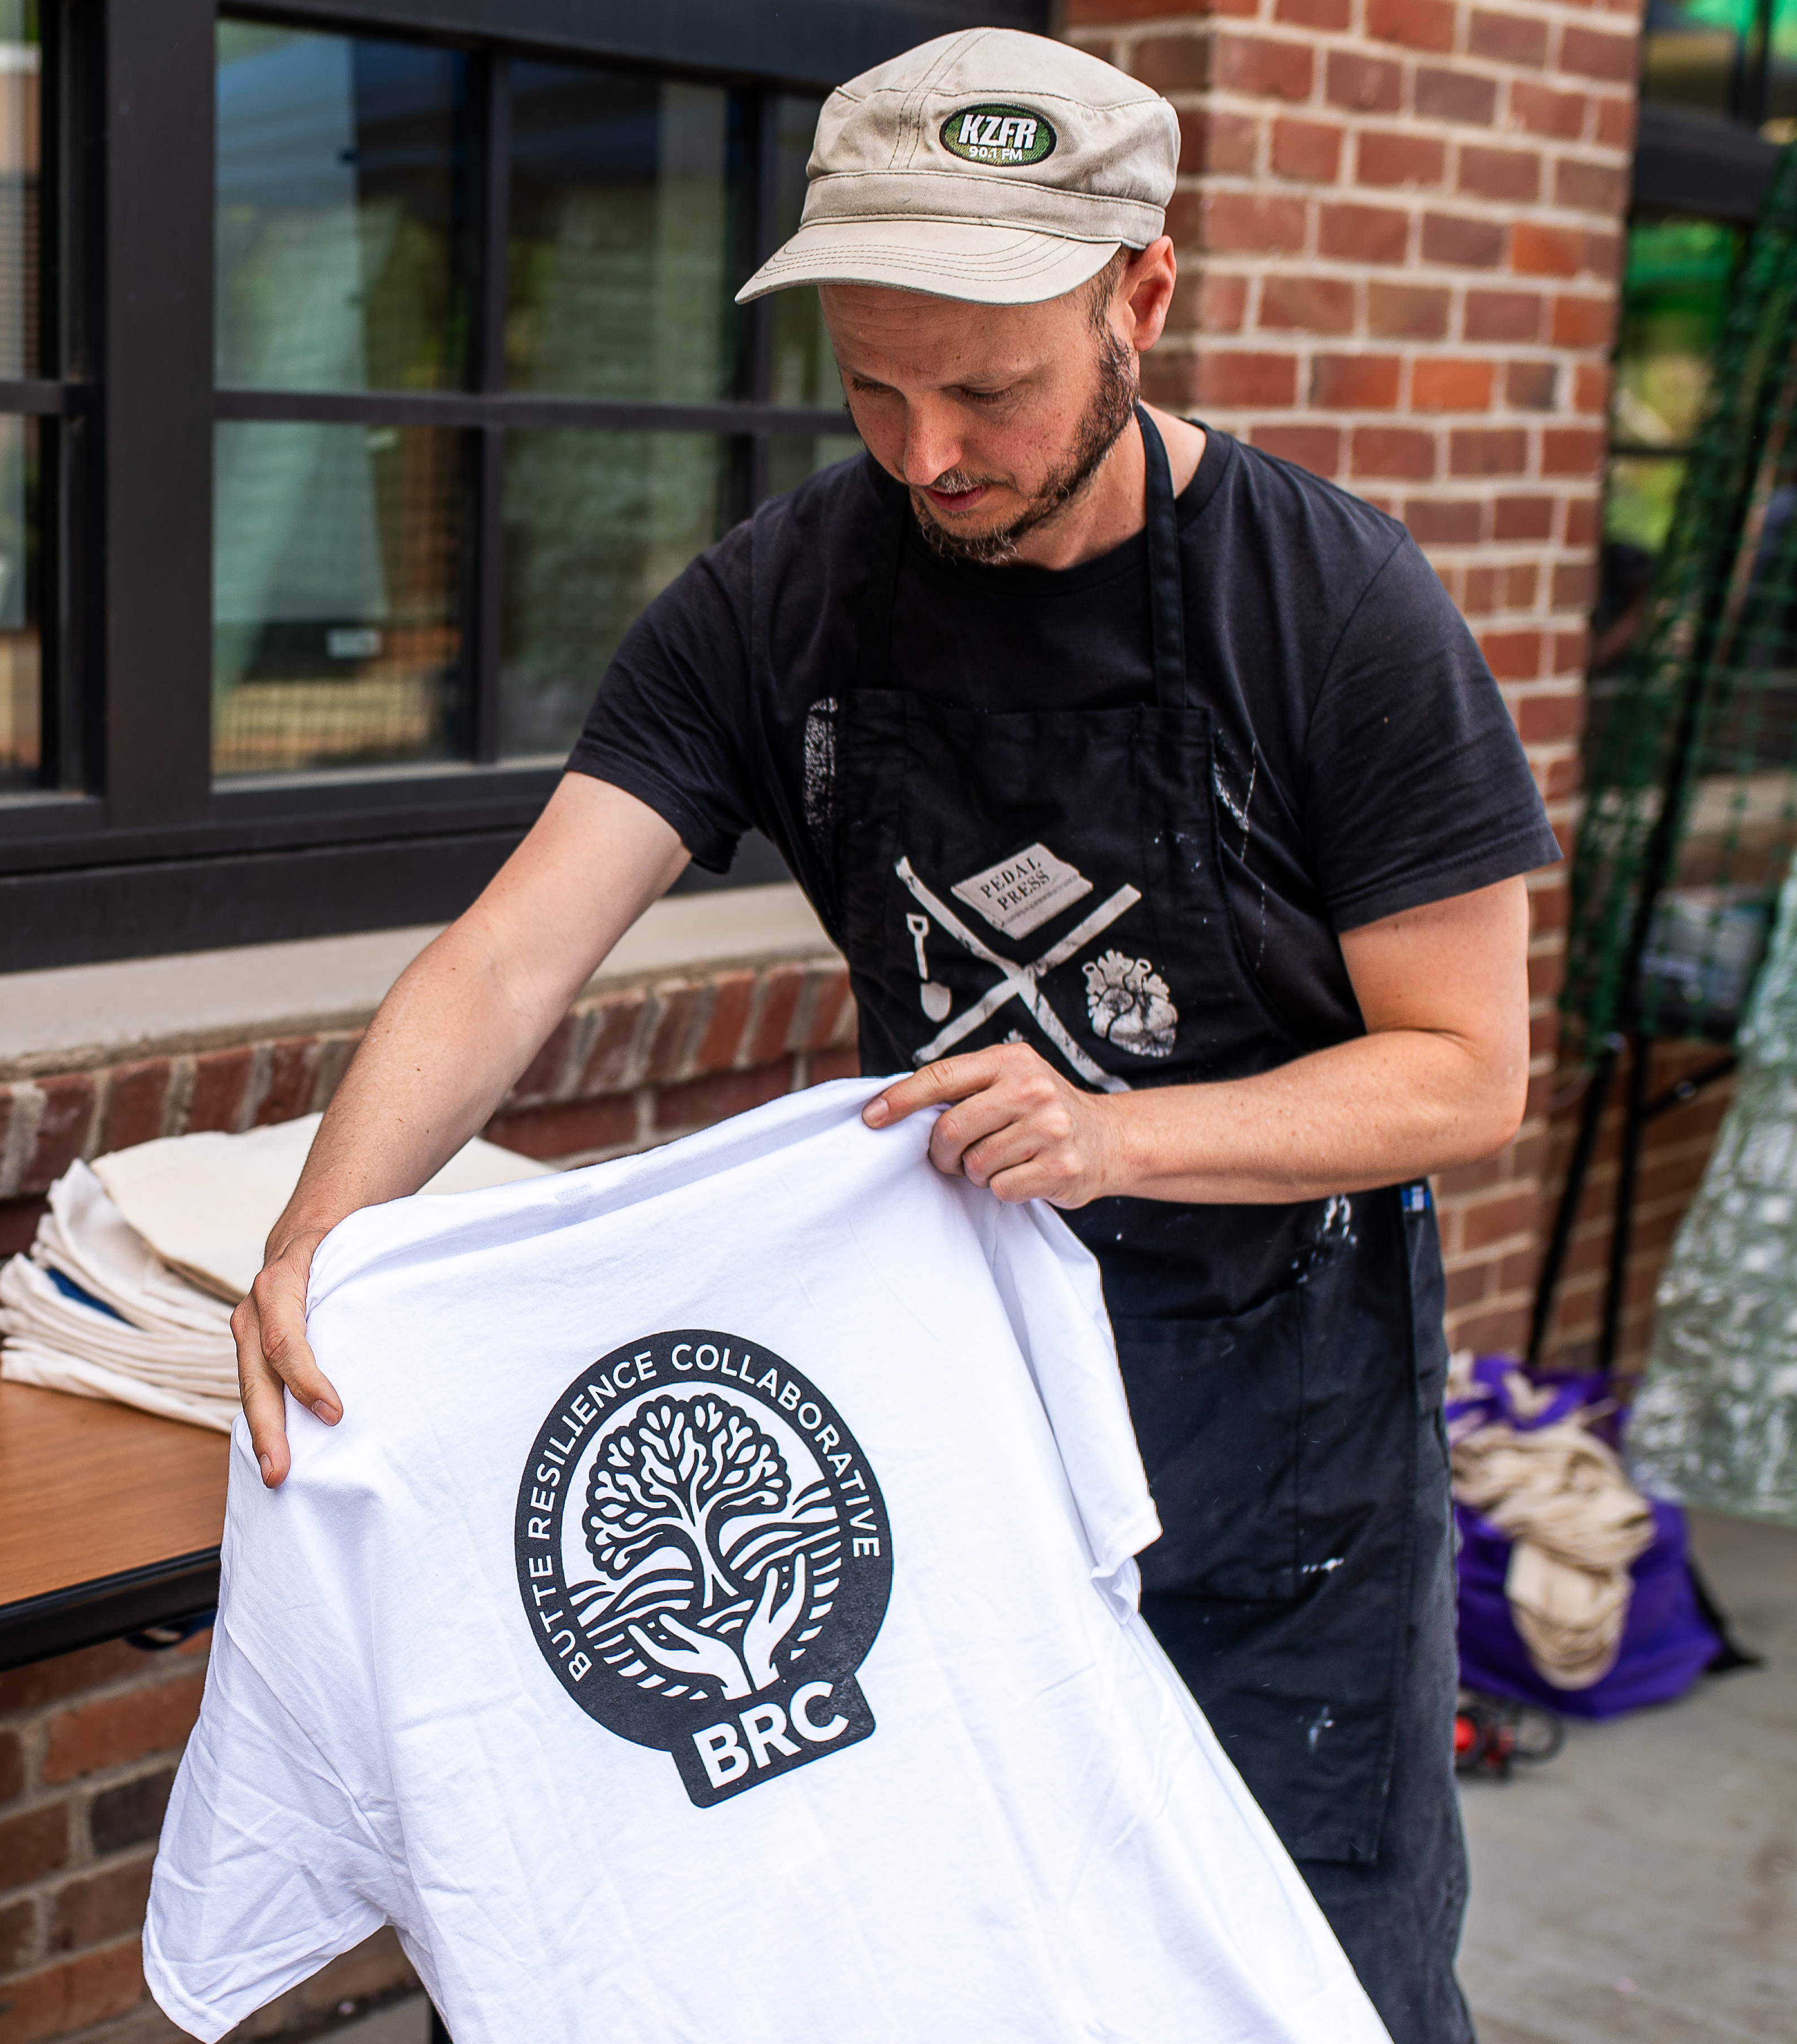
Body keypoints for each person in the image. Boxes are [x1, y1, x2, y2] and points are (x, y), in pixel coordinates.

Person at [230, 29, 1555, 2044]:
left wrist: (1116, 1132)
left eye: (989, 390)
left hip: (1274, 1464)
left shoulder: (1335, 609)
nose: (927, 452)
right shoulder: (781, 600)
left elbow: (1465, 1069)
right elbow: (509, 958)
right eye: (872, 385)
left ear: (1139, 295)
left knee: (1304, 1988)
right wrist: (323, 1241)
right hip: (941, 1439)